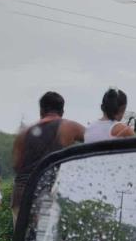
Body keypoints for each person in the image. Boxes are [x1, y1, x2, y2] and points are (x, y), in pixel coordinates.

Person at [12, 91, 85, 226]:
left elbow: (16, 165)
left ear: (41, 110)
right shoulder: (68, 127)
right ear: (62, 111)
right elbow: (92, 137)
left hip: (20, 197)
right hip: (43, 196)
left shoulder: (24, 133)